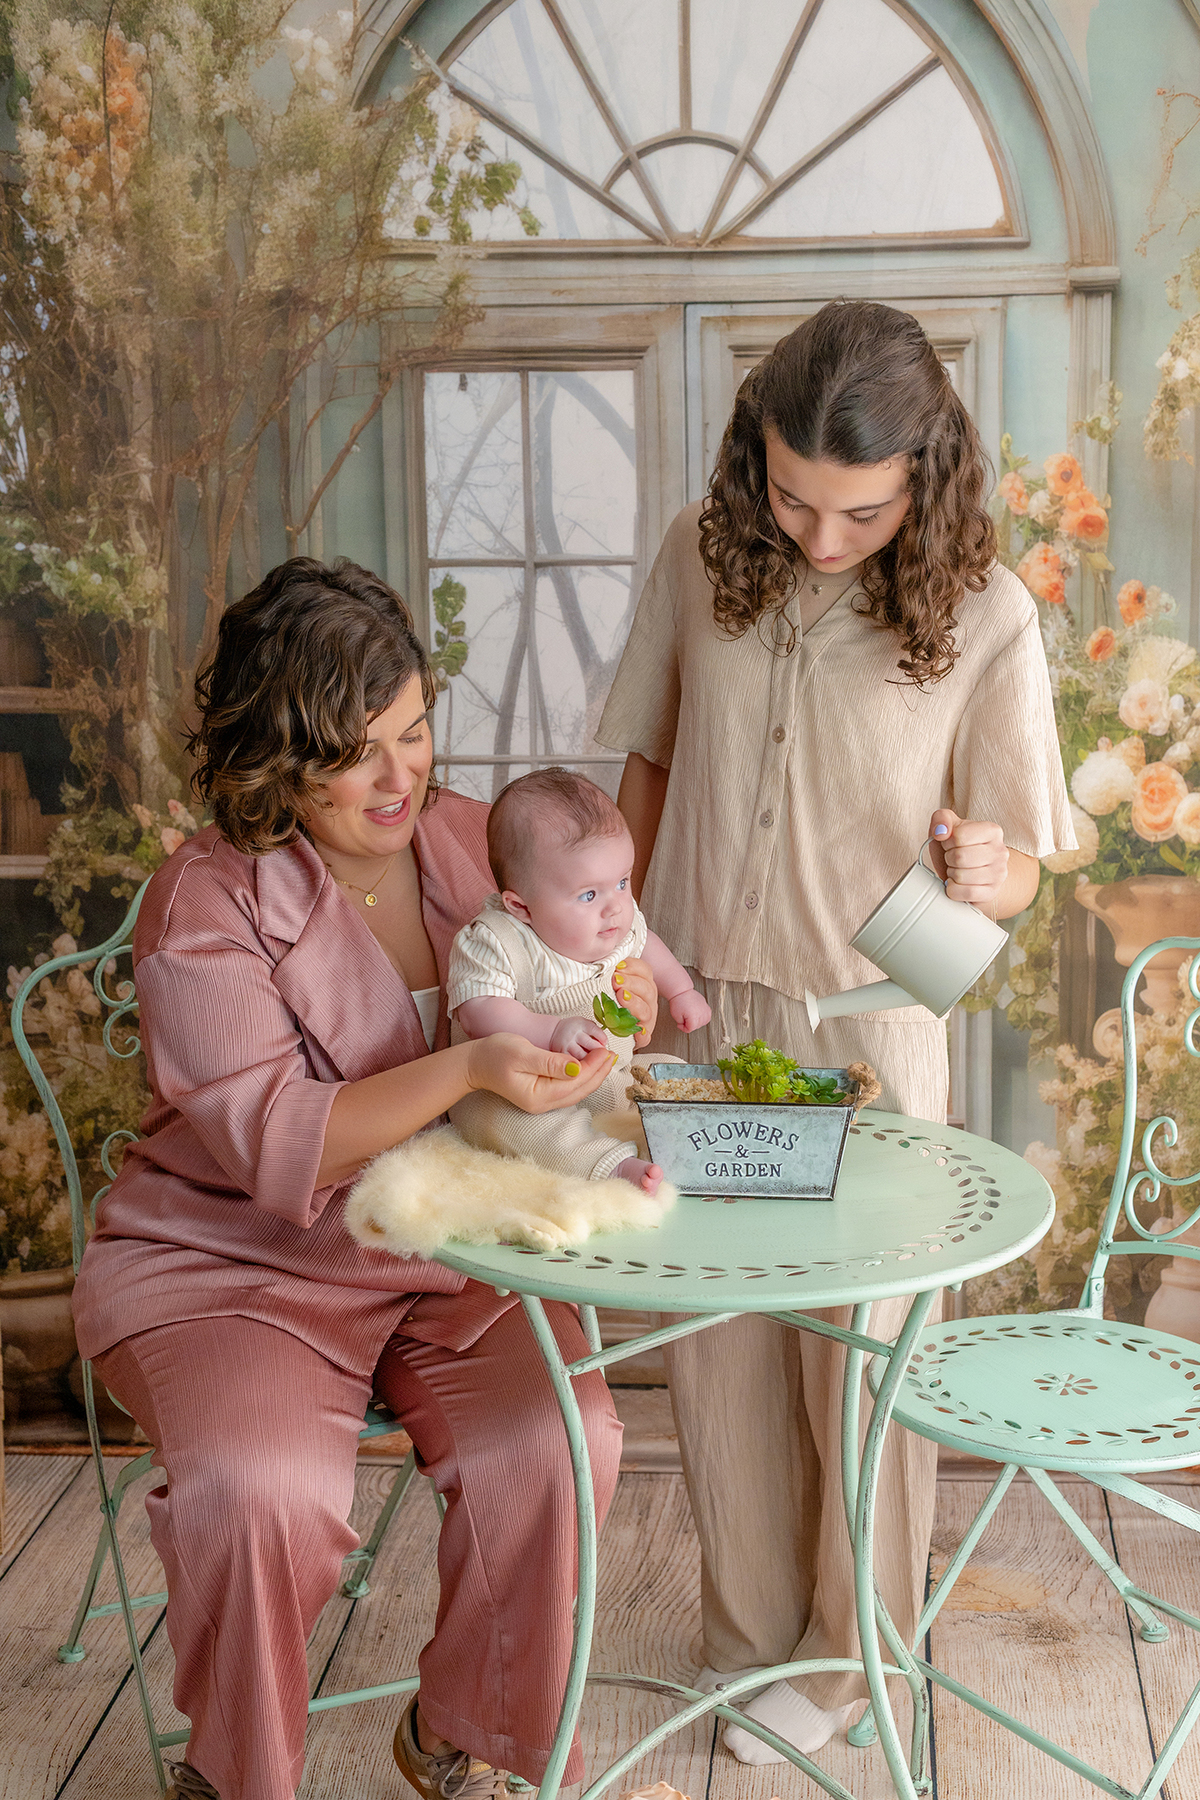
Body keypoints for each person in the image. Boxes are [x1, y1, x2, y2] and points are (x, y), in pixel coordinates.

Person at [70, 558, 662, 1800]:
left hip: (446, 1239)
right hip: (233, 1262)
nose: (406, 779)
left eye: (417, 731)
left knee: (565, 1437)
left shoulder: (464, 838)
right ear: (275, 759)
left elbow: (574, 964)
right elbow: (282, 1134)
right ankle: (240, 1777)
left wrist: (617, 998)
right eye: (359, 753)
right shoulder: (204, 899)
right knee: (260, 1493)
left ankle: (463, 1733)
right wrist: (473, 1066)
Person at [596, 300, 1074, 1764]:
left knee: (858, 1364)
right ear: (757, 458)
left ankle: (851, 1658)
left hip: (866, 1039)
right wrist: (608, 951)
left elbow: (1023, 859)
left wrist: (996, 869)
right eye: (792, 496)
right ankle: (746, 1648)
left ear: (926, 474)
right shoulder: (698, 551)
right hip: (696, 1017)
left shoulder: (987, 614)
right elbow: (649, 758)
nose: (816, 535)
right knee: (721, 1351)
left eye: (857, 510)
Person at [447, 767, 711, 1194]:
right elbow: (479, 1012)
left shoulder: (614, 923)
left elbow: (647, 945)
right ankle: (607, 1165)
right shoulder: (496, 941)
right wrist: (551, 1030)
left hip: (611, 1075)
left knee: (674, 1074)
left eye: (622, 882)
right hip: (522, 1092)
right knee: (524, 1127)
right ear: (522, 907)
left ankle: (696, 1140)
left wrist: (681, 990)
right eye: (589, 894)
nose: (615, 908)